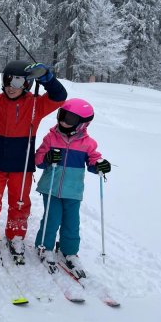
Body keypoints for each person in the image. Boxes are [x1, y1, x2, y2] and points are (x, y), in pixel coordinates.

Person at [0, 47, 67, 264]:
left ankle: (16, 236)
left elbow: (60, 97)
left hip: (22, 166)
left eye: (17, 81)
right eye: (7, 80)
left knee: (20, 203)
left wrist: (47, 78)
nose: (10, 86)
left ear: (27, 84)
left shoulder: (35, 105)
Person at [33, 98, 111, 279]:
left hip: (73, 191)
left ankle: (69, 251)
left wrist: (100, 165)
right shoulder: (51, 137)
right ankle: (44, 247)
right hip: (51, 188)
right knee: (51, 219)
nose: (63, 121)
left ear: (82, 124)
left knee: (72, 223)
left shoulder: (88, 144)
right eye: (62, 115)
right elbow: (38, 160)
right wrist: (47, 158)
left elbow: (93, 160)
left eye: (69, 118)